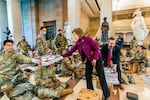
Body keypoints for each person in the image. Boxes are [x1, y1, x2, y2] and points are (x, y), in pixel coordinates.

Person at [62, 28, 110, 100]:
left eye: (74, 34)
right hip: (88, 60)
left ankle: (106, 94)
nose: (73, 36)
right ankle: (90, 91)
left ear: (79, 33)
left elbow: (96, 48)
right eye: (73, 35)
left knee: (101, 76)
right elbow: (71, 51)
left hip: (96, 59)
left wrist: (95, 59)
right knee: (88, 76)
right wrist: (62, 56)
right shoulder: (78, 43)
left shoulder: (88, 39)